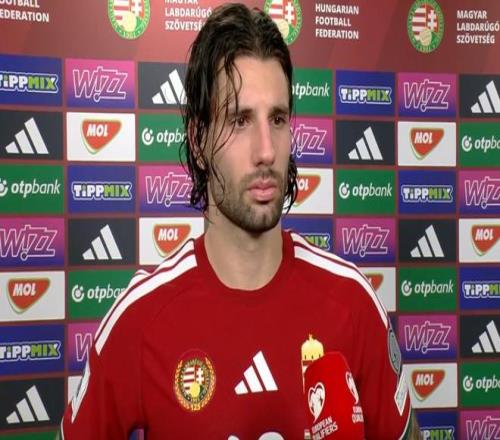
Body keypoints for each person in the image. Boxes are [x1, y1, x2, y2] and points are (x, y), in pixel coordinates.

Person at [60, 3, 420, 439]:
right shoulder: (139, 320)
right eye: (239, 120)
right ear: (198, 140)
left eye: (278, 119)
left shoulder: (352, 302)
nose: (266, 151)